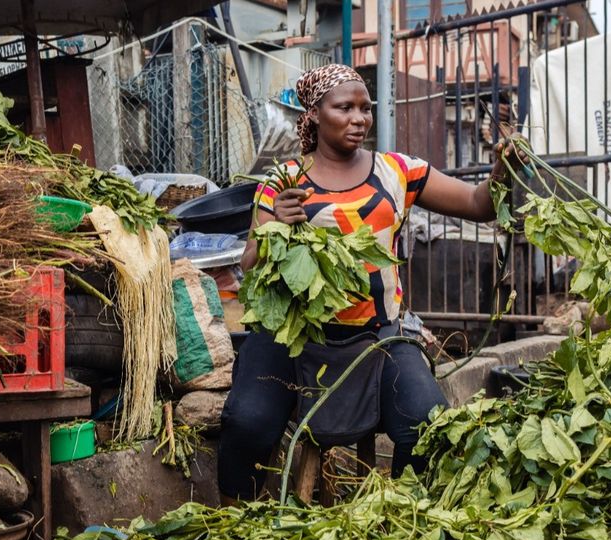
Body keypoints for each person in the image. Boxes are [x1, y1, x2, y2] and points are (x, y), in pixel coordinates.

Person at [217, 64, 518, 503]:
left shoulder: (398, 172)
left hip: (378, 340)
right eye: (345, 108)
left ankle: (393, 512)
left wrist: (501, 171)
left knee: (426, 423)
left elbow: (479, 205)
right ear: (316, 114)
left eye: (365, 108)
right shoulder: (283, 182)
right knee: (246, 422)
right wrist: (274, 225)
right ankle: (233, 522)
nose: (359, 118)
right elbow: (249, 265)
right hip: (294, 340)